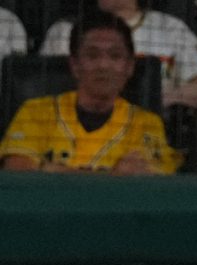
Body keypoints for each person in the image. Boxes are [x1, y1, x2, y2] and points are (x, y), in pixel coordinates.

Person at [40, 0, 197, 170]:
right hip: (75, 139)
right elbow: (40, 89)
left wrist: (158, 97)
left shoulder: (170, 28)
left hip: (147, 139)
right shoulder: (64, 31)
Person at [0, 12, 180, 174]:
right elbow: (16, 168)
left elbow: (153, 181)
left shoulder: (146, 123)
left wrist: (50, 169)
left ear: (130, 67)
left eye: (115, 56)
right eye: (92, 56)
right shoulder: (36, 112)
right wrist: (113, 178)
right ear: (75, 65)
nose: (103, 65)